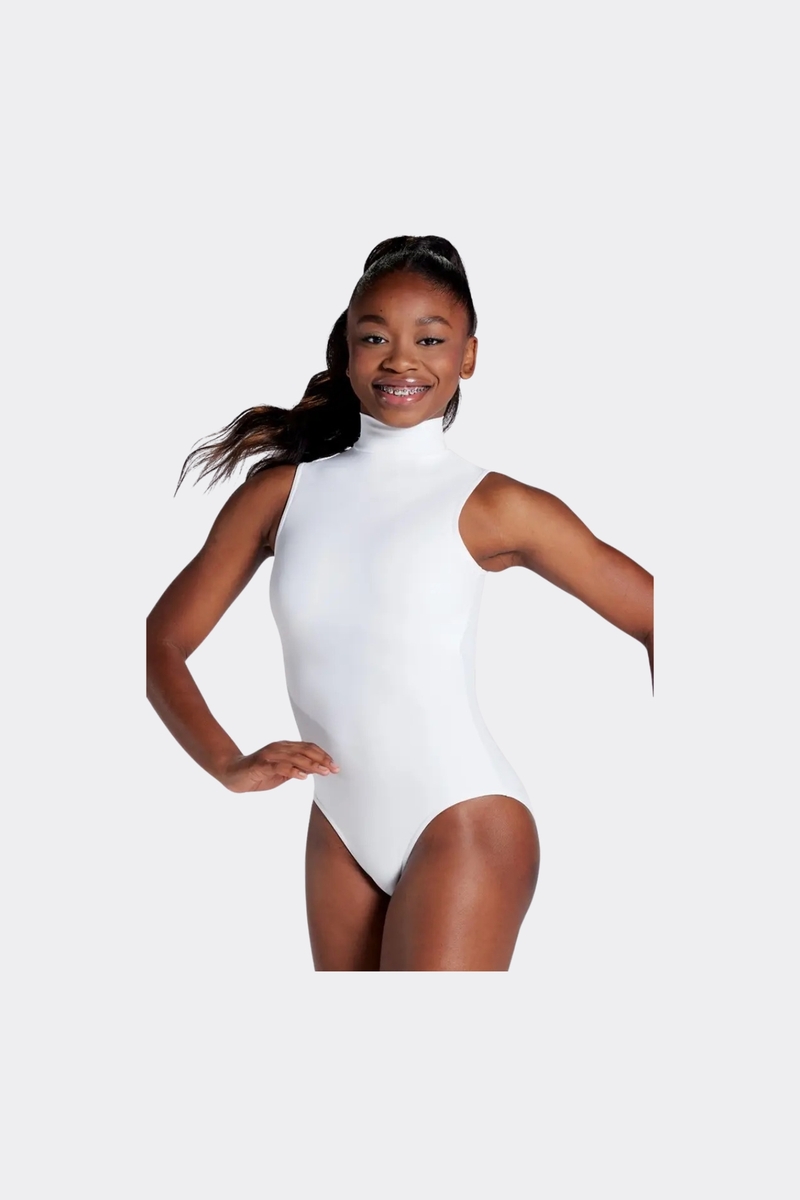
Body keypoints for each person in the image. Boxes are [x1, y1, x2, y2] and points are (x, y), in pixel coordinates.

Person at [146, 234, 653, 972]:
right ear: (347, 351)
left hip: (464, 817)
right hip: (340, 827)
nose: (401, 359)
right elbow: (159, 642)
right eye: (376, 337)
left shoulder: (497, 505)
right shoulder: (281, 496)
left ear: (468, 356)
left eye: (431, 339)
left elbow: (657, 618)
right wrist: (226, 762)